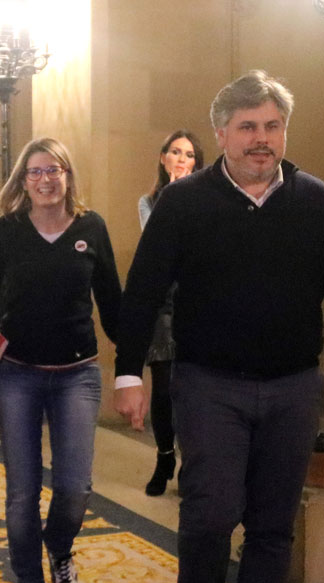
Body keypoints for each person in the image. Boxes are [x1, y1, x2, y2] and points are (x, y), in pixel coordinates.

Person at [113, 70, 324, 583]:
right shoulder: (184, 204)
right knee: (210, 514)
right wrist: (129, 373)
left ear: (283, 131)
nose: (261, 140)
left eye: (271, 126)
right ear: (222, 134)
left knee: (271, 527)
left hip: (293, 388)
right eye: (247, 128)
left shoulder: (317, 201)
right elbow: (143, 291)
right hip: (209, 384)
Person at [0, 137, 121, 583]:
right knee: (22, 491)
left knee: (74, 488)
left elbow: (112, 301)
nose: (46, 180)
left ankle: (60, 547)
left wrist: (133, 366)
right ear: (22, 182)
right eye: (35, 172)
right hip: (18, 374)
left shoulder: (92, 228)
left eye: (54, 170)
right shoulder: (6, 231)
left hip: (77, 375)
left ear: (68, 175)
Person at [137, 130, 204, 496]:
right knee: (163, 387)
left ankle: (194, 460)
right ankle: (164, 457)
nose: (182, 159)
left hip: (198, 301)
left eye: (189, 154)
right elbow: (158, 244)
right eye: (175, 152)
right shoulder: (148, 202)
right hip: (163, 303)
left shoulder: (209, 198)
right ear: (163, 158)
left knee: (194, 387)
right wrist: (173, 196)